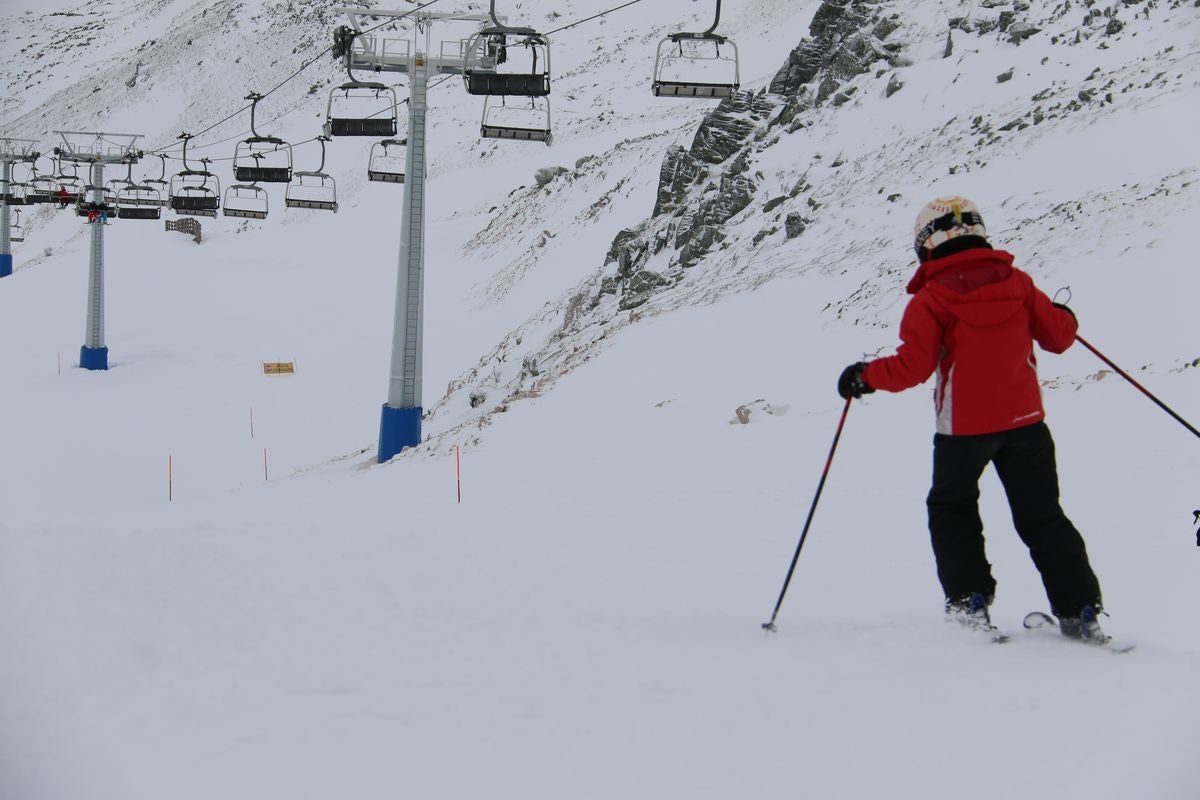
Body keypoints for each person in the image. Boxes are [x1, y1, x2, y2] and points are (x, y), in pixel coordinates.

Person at [836, 196, 1107, 642]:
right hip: (1026, 423)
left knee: (952, 508)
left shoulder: (932, 299)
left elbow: (913, 368)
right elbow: (1059, 337)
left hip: (963, 430)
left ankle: (969, 604)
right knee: (1043, 516)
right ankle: (1080, 610)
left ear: (926, 244)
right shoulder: (1017, 283)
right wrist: (1065, 316)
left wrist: (864, 378)